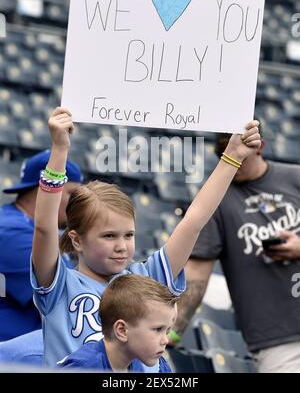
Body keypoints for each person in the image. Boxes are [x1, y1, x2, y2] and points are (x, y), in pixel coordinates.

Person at [31, 107, 260, 367]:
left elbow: (193, 222)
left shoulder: (146, 280)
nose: (121, 246)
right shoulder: (59, 285)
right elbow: (44, 227)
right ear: (77, 240)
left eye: (128, 235)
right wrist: (60, 149)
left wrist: (232, 157)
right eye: (108, 236)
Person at [171, 132, 300, 373]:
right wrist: (174, 332)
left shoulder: (294, 177)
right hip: (276, 340)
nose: (234, 159)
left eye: (242, 153)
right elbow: (197, 275)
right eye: (224, 153)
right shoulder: (216, 198)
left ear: (259, 146)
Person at [0, 150, 83, 342]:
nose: (78, 205)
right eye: (72, 194)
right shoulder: (9, 231)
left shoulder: (32, 226)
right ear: (45, 190)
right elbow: (68, 298)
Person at [58, 275, 177, 372]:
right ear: (122, 330)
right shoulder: (83, 368)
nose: (165, 340)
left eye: (167, 331)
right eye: (158, 329)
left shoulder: (156, 365)